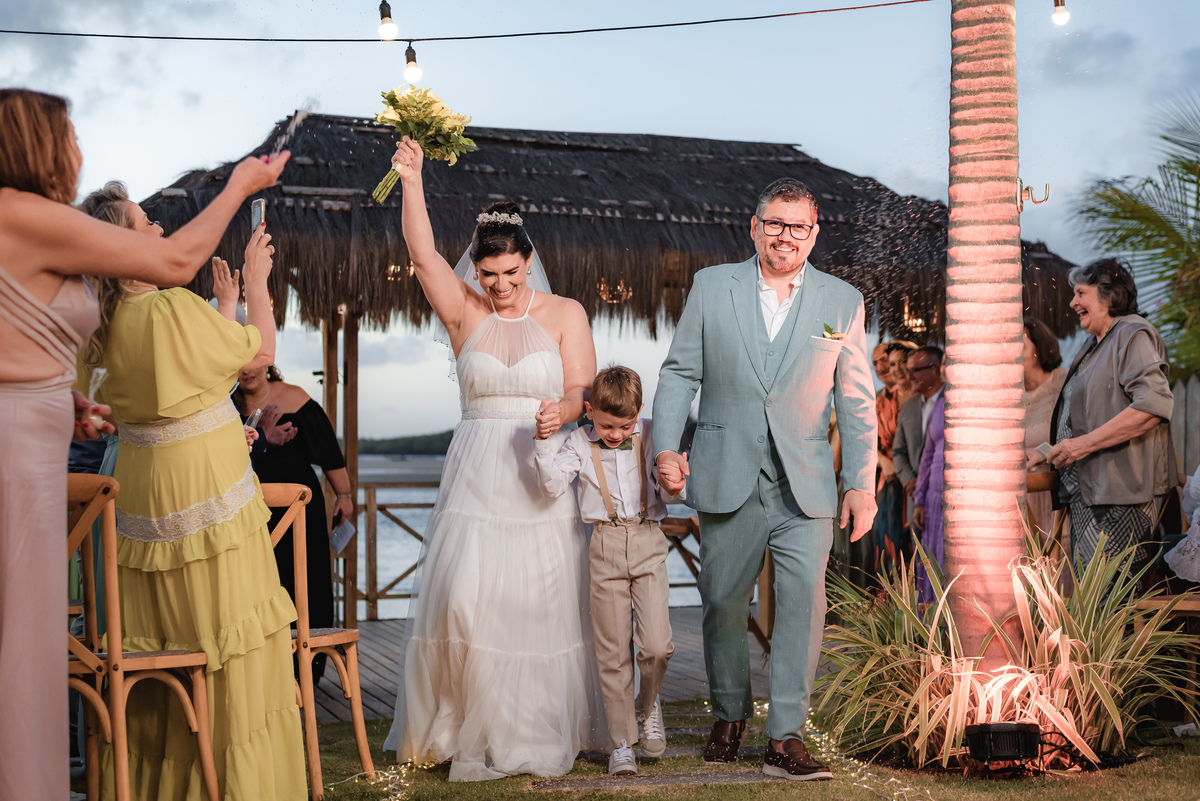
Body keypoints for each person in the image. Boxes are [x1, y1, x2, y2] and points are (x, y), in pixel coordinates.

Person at [0, 88, 286, 800]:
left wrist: (56, 396)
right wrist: (243, 204)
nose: (77, 150)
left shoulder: (101, 308)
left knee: (39, 635)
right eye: (66, 136)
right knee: (25, 641)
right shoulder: (29, 218)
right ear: (38, 144)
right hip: (77, 468)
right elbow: (200, 285)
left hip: (84, 464)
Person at [383, 137, 606, 781]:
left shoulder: (566, 313)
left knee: (534, 601)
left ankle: (527, 727)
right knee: (462, 598)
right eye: (489, 277)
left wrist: (560, 414)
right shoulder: (463, 311)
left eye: (511, 275)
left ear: (529, 263)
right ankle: (456, 726)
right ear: (475, 272)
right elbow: (421, 254)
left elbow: (581, 390)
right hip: (477, 468)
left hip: (537, 469)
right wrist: (414, 181)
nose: (502, 288)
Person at [80, 181, 306, 799]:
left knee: (165, 645)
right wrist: (257, 284)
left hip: (142, 502)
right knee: (227, 646)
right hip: (211, 499)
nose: (158, 231)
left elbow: (174, 377)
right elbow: (257, 357)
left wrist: (222, 307)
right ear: (123, 246)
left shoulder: (98, 327)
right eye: (145, 224)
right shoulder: (168, 308)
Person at [653, 178, 878, 781]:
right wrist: (668, 449)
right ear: (754, 227)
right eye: (774, 224)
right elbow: (679, 373)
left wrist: (861, 482)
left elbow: (857, 402)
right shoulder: (711, 286)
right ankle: (729, 714)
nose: (785, 236)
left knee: (804, 608)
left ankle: (786, 737)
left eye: (797, 226)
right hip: (727, 475)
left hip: (806, 484)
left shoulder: (842, 301)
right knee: (723, 602)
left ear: (814, 233)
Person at [534, 366, 681, 776]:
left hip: (649, 540)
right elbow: (550, 488)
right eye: (606, 425)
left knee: (657, 645)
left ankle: (647, 707)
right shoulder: (578, 443)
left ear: (640, 414)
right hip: (604, 546)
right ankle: (621, 743)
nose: (615, 434)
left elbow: (675, 487)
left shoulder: (653, 435)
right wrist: (544, 444)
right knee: (613, 650)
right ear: (588, 410)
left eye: (625, 425)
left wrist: (676, 482)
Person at [1049, 258, 1176, 570]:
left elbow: (1152, 406)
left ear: (1108, 295)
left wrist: (1082, 445)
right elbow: (1086, 415)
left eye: (1080, 293)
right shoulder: (1092, 345)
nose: (1072, 302)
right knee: (1093, 600)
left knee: (1109, 602)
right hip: (1092, 493)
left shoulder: (1133, 334)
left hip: (1123, 495)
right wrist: (1047, 451)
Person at [234, 361, 352, 684]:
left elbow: (329, 452)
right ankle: (265, 672)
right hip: (251, 511)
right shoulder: (226, 404)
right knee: (262, 586)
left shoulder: (296, 398)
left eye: (254, 362)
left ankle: (308, 668)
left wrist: (344, 495)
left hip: (301, 511)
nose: (247, 370)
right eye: (240, 364)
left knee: (307, 582)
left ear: (267, 363)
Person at [892, 342, 943, 549]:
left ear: (935, 369)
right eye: (908, 370)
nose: (909, 375)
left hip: (943, 498)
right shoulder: (908, 407)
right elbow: (898, 451)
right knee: (922, 563)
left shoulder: (954, 402)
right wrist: (910, 480)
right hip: (916, 498)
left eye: (916, 370)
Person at [1021, 317, 1068, 534]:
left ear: (1039, 347)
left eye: (1019, 344)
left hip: (1056, 497)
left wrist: (1043, 452)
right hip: (1021, 501)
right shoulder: (1008, 395)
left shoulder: (1064, 382)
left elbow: (1076, 435)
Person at [874, 340, 916, 575]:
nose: (896, 369)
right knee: (888, 547)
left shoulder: (924, 398)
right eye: (892, 364)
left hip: (916, 482)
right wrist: (883, 460)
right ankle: (891, 608)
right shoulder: (881, 401)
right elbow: (868, 440)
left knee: (916, 549)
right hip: (890, 482)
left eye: (902, 362)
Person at [910, 346, 946, 603]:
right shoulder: (941, 405)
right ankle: (929, 627)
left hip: (955, 501)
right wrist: (919, 499)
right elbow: (928, 454)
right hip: (932, 499)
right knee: (930, 562)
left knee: (948, 562)